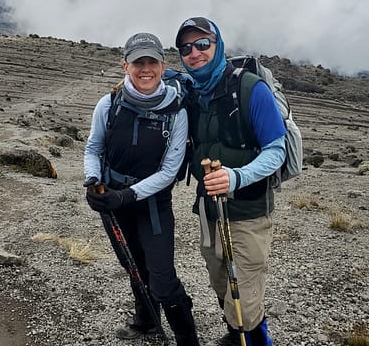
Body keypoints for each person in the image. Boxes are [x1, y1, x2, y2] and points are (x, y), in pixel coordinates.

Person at [175, 17, 287, 346]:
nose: (194, 52)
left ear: (218, 44)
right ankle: (236, 333)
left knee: (246, 296)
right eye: (185, 48)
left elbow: (276, 150)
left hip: (249, 211)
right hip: (209, 211)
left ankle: (254, 339)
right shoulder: (192, 92)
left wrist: (236, 177)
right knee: (221, 282)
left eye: (202, 44)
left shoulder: (251, 88)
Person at [83, 32, 200, 346]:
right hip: (113, 201)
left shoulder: (176, 111)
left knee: (162, 277)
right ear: (126, 65)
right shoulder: (108, 104)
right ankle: (146, 321)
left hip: (152, 205)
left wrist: (128, 195)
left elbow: (169, 171)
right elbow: (93, 149)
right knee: (133, 265)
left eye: (151, 62)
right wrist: (93, 181)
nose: (145, 68)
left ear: (163, 66)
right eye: (138, 62)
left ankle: (187, 338)